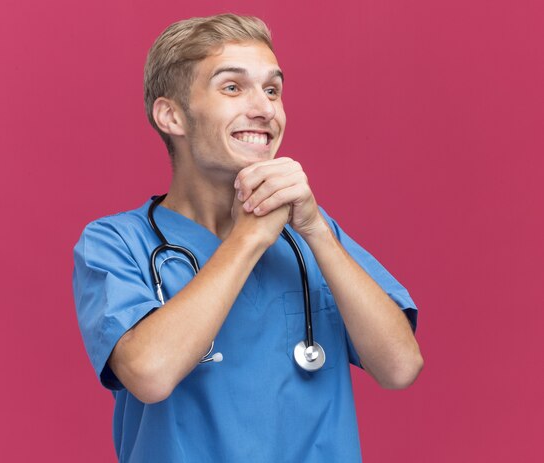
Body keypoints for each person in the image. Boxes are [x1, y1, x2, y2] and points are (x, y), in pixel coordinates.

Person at [73, 13, 423, 462]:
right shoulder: (117, 243)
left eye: (272, 89)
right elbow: (150, 374)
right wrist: (248, 238)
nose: (264, 109)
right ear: (171, 115)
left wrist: (315, 230)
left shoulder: (311, 235)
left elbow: (400, 367)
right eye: (233, 87)